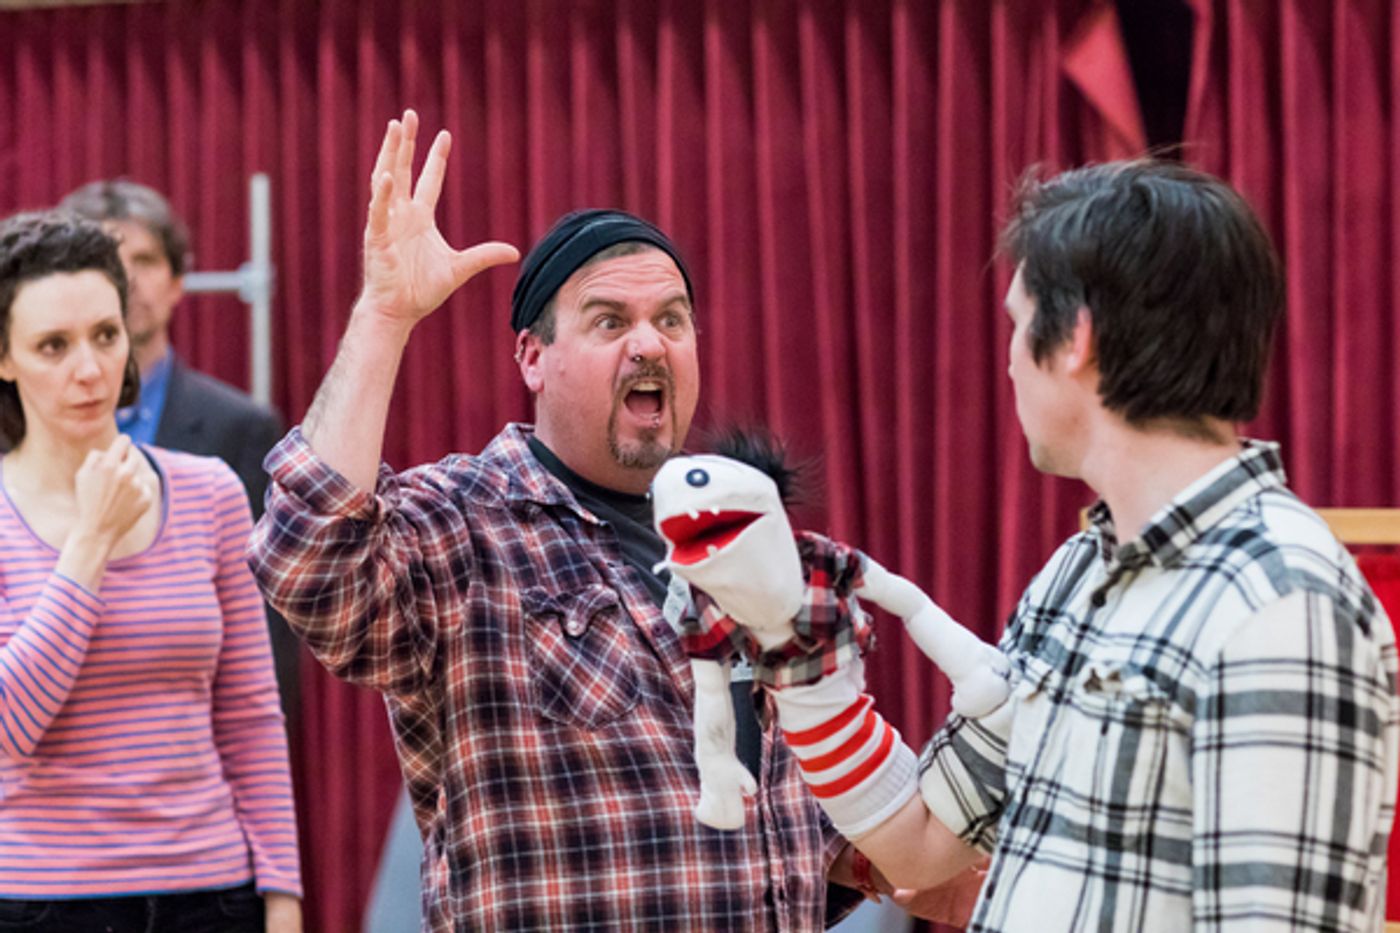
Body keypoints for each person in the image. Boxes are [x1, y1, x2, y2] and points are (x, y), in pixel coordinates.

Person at [246, 109, 941, 931]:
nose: (649, 344)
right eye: (611, 321)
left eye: (671, 319)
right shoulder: (467, 522)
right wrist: (384, 317)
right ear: (532, 358)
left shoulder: (745, 538)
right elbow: (307, 560)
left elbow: (789, 828)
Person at [754, 160, 1399, 931]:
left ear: (1075, 340)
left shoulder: (1281, 602)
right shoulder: (1075, 573)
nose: (1009, 360)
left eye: (1019, 324)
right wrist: (807, 675)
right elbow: (919, 844)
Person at [0, 210, 301, 930]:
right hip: (43, 898)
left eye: (106, 336)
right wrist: (89, 545)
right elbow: (10, 728)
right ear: (5, 359)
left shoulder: (210, 492)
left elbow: (252, 714)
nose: (90, 368)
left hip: (212, 889)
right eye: (53, 345)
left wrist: (282, 897)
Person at [59, 180, 299, 720]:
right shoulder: (17, 428)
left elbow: (266, 624)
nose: (127, 279)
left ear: (176, 282)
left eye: (143, 259)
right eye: (105, 260)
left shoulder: (241, 428)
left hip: (189, 736)